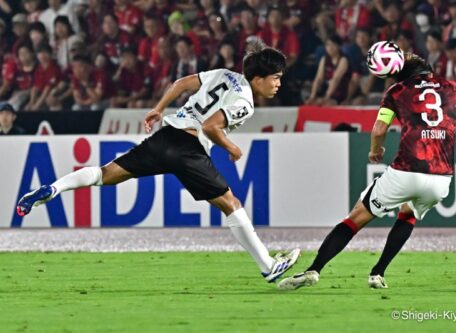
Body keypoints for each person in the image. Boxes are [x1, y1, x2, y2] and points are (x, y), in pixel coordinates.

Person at [16, 40, 300, 283]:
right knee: (231, 204)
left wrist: (158, 108)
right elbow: (212, 127)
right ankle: (269, 267)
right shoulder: (245, 102)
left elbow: (181, 84)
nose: (278, 83)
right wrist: (231, 147)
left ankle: (51, 190)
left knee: (105, 174)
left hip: (165, 136)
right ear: (258, 78)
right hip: (189, 148)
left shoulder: (225, 75)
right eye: (275, 77)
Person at [277, 53, 456, 290]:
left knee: (356, 218)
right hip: (441, 178)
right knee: (408, 215)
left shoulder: (396, 91)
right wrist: (450, 124)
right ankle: (378, 273)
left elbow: (378, 130)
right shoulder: (453, 87)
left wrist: (375, 151)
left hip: (407, 171)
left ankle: (313, 270)